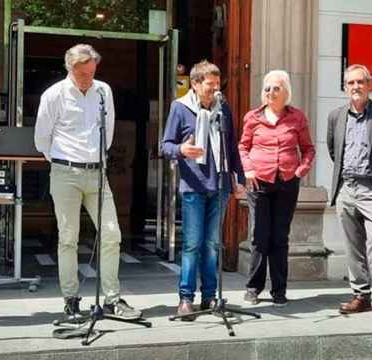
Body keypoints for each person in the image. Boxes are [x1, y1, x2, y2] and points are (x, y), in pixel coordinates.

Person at [34, 44, 142, 321]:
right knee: (68, 237)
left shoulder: (103, 91)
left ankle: (112, 299)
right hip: (65, 171)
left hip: (97, 172)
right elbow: (41, 139)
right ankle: (71, 299)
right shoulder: (54, 95)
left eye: (92, 73)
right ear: (69, 69)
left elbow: (109, 130)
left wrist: (96, 159)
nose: (88, 79)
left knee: (111, 234)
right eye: (83, 74)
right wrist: (63, 161)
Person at [161, 60, 245, 320]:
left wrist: (239, 177)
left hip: (219, 186)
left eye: (218, 84)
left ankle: (210, 296)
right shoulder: (180, 108)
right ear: (196, 84)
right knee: (192, 245)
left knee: (212, 245)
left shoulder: (224, 109)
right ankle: (185, 299)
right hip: (194, 186)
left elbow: (231, 146)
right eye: (210, 85)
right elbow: (165, 146)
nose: (215, 89)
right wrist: (182, 150)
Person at [326, 64, 372, 321]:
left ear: (369, 85)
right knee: (352, 245)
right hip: (347, 187)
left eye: (360, 82)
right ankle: (361, 296)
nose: (356, 87)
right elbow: (334, 150)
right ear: (345, 87)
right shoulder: (336, 116)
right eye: (351, 83)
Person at [238, 70, 315, 307]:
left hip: (287, 183)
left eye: (276, 88)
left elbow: (308, 149)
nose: (271, 92)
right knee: (259, 236)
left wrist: (301, 170)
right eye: (267, 88)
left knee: (280, 237)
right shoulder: (253, 117)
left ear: (286, 92)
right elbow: (242, 147)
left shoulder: (297, 117)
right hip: (259, 182)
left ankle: (279, 290)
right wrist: (248, 169)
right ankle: (253, 287)